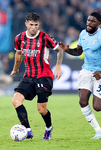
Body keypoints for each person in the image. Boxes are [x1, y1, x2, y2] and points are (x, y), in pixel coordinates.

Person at [60, 11, 101, 139]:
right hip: (86, 71)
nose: (89, 23)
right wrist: (67, 50)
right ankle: (99, 132)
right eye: (88, 20)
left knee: (97, 107)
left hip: (100, 73)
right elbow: (78, 51)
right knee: (82, 101)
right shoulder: (83, 34)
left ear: (99, 23)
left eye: (93, 21)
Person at [10, 12, 63, 140]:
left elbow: (59, 50)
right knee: (16, 101)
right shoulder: (19, 38)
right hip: (28, 76)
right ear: (26, 24)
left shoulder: (45, 38)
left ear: (38, 25)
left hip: (43, 76)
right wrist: (16, 69)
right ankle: (28, 130)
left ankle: (49, 128)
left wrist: (58, 66)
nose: (33, 27)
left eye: (36, 25)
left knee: (41, 110)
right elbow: (18, 54)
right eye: (31, 24)